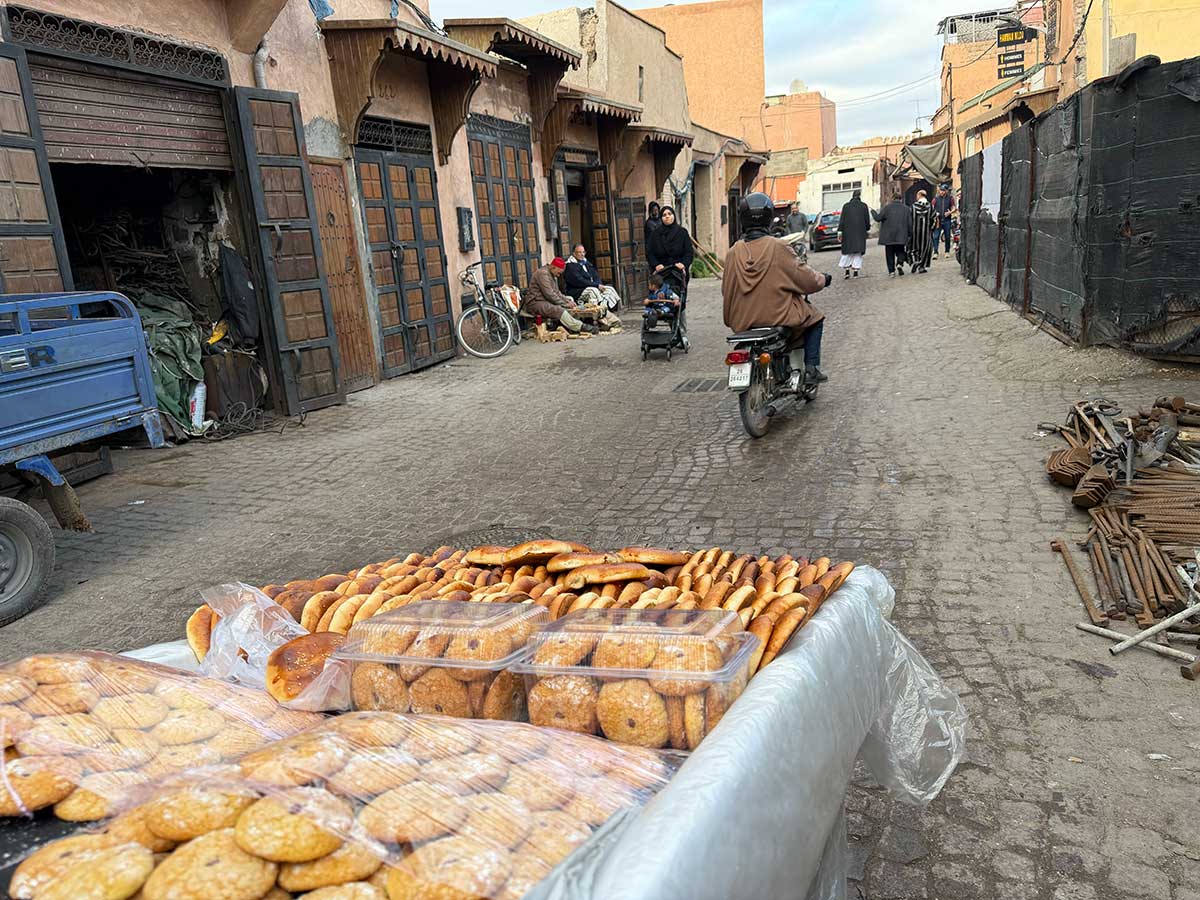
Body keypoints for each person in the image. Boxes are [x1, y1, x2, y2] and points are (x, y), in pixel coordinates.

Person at [722, 191, 831, 388]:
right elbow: (805, 278)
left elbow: (726, 289)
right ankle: (812, 369)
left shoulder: (732, 252)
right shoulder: (778, 247)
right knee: (815, 318)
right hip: (777, 317)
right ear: (769, 217)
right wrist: (823, 279)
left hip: (741, 321)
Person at [522, 257, 594, 333]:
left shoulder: (551, 273)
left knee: (570, 299)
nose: (559, 275)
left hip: (544, 300)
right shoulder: (542, 274)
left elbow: (557, 292)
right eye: (558, 273)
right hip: (535, 302)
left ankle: (569, 325)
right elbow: (549, 294)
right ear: (553, 267)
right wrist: (565, 304)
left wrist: (567, 300)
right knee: (558, 310)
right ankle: (580, 327)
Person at [646, 204, 694, 296]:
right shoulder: (655, 234)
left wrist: (683, 264)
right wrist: (656, 264)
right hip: (662, 271)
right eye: (664, 215)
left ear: (674, 216)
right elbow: (650, 252)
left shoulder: (682, 232)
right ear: (661, 218)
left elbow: (689, 252)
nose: (667, 216)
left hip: (678, 271)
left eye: (669, 214)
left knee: (678, 297)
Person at [563, 243, 621, 311]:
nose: (582, 254)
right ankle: (599, 310)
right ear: (574, 253)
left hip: (592, 286)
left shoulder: (586, 262)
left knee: (609, 289)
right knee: (593, 291)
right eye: (579, 252)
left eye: (583, 252)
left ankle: (602, 309)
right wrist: (596, 285)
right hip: (577, 290)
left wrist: (598, 284)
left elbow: (595, 275)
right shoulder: (570, 265)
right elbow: (579, 281)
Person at [873, 190, 912, 277]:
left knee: (889, 254)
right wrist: (910, 234)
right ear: (901, 199)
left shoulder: (887, 208)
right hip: (901, 235)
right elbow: (910, 223)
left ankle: (891, 271)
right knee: (900, 251)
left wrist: (873, 213)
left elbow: (878, 218)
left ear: (892, 198)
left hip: (888, 236)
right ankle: (899, 263)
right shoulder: (906, 209)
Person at [837, 189, 871, 278]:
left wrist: (840, 232)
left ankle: (847, 271)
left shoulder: (846, 206)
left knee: (847, 252)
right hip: (860, 232)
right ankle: (855, 272)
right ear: (859, 196)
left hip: (847, 233)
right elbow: (867, 220)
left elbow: (842, 220)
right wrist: (867, 228)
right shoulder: (864, 206)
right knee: (858, 253)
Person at [907, 190, 936, 274]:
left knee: (915, 247)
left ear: (919, 195)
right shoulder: (930, 207)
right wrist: (931, 229)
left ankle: (917, 260)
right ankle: (922, 266)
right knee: (925, 248)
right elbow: (934, 219)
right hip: (926, 232)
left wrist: (910, 230)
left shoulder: (913, 207)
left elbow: (909, 219)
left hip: (915, 232)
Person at [932, 184, 955, 259]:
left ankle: (947, 251)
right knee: (936, 236)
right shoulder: (936, 199)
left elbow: (954, 207)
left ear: (946, 191)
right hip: (938, 220)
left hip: (947, 220)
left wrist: (950, 212)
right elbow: (931, 207)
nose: (941, 192)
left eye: (943, 190)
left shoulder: (950, 198)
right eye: (941, 190)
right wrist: (935, 213)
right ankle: (935, 252)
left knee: (947, 236)